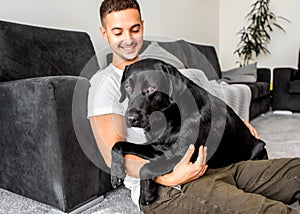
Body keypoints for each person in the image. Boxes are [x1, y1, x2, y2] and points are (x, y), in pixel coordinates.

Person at [88, 0, 300, 213]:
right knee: (267, 210)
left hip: (215, 164)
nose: (128, 39)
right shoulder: (104, 83)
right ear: (104, 34)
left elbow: (204, 109)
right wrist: (165, 176)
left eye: (134, 29)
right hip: (168, 187)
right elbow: (111, 156)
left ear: (142, 26)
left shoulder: (163, 73)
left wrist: (238, 123)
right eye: (117, 32)